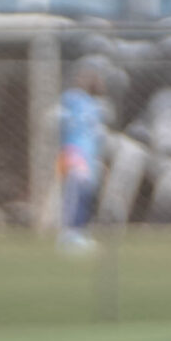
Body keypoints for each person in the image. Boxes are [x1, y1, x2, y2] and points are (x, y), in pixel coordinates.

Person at [57, 64, 109, 252]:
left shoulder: (96, 105)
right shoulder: (71, 99)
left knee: (86, 195)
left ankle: (80, 232)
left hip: (89, 155)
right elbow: (60, 121)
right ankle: (69, 235)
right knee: (75, 193)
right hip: (74, 152)